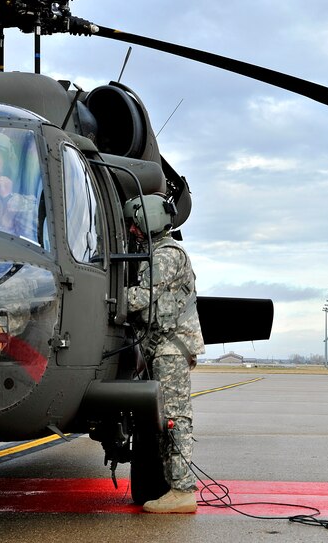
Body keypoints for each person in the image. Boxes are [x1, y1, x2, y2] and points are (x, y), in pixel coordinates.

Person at [124, 194, 205, 514]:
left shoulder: (166, 255)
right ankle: (176, 487)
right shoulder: (157, 253)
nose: (131, 230)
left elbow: (141, 298)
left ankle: (182, 491)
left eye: (135, 222)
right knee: (165, 420)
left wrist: (107, 297)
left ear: (149, 220)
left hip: (171, 347)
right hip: (164, 346)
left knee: (174, 419)